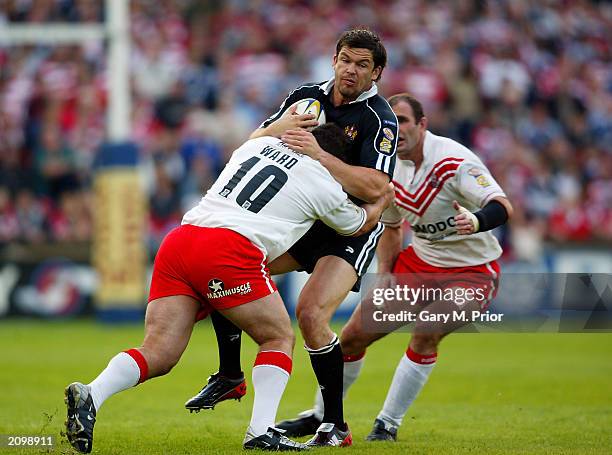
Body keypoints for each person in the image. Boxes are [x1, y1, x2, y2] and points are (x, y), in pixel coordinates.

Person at [63, 124, 391, 453]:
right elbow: (358, 224)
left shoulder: (254, 148)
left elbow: (257, 139)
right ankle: (261, 431)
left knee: (159, 352)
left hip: (181, 240)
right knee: (277, 336)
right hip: (229, 250)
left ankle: (92, 393)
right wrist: (379, 203)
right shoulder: (323, 180)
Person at [186, 28, 398, 447]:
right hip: (299, 218)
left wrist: (319, 156)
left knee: (311, 313)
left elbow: (377, 188)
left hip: (348, 226)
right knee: (230, 275)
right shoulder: (305, 96)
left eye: (362, 65)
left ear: (377, 73)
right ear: (333, 58)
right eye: (345, 60)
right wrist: (275, 129)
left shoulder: (379, 119)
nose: (350, 71)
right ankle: (230, 375)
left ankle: (334, 424)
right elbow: (256, 141)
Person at [278, 93, 513, 441]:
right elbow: (391, 226)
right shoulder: (386, 168)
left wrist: (476, 222)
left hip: (472, 272)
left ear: (422, 125)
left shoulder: (454, 161)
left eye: (403, 121)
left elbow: (502, 205)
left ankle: (387, 424)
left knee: (425, 333)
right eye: (392, 122)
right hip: (418, 265)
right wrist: (387, 276)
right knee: (351, 338)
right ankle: (321, 416)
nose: (397, 130)